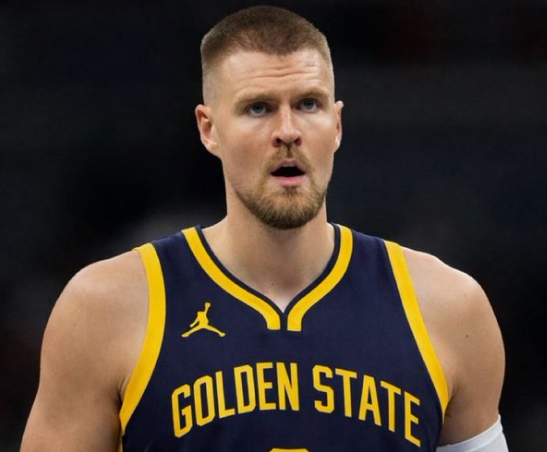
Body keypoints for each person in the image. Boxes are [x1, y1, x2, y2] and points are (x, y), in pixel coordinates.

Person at [21, 5, 507, 452]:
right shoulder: (106, 308)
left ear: (337, 125)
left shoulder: (448, 308)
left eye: (309, 104)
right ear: (209, 129)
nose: (288, 131)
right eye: (258, 108)